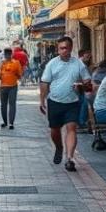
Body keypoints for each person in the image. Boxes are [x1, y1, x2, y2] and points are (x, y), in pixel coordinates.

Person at [40, 36, 91, 172]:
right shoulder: (52, 64)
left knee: (71, 128)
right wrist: (42, 101)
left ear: (71, 48)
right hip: (54, 101)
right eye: (61, 48)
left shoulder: (79, 64)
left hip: (72, 102)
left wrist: (81, 86)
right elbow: (45, 82)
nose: (64, 51)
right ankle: (59, 147)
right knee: (55, 131)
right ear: (58, 49)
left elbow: (88, 85)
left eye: (66, 48)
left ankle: (69, 158)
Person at [0, 48, 23, 129]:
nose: (7, 55)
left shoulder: (16, 63)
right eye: (6, 54)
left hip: (12, 87)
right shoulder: (2, 64)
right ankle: (5, 122)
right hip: (4, 87)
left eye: (8, 54)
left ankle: (11, 123)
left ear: (11, 54)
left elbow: (19, 75)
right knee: (4, 105)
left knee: (11, 104)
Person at [77, 50, 93, 128]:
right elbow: (87, 78)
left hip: (79, 86)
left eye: (89, 57)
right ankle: (81, 122)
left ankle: (80, 122)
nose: (89, 58)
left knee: (81, 104)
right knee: (84, 104)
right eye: (87, 56)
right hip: (80, 87)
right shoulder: (81, 65)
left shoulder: (80, 64)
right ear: (82, 56)